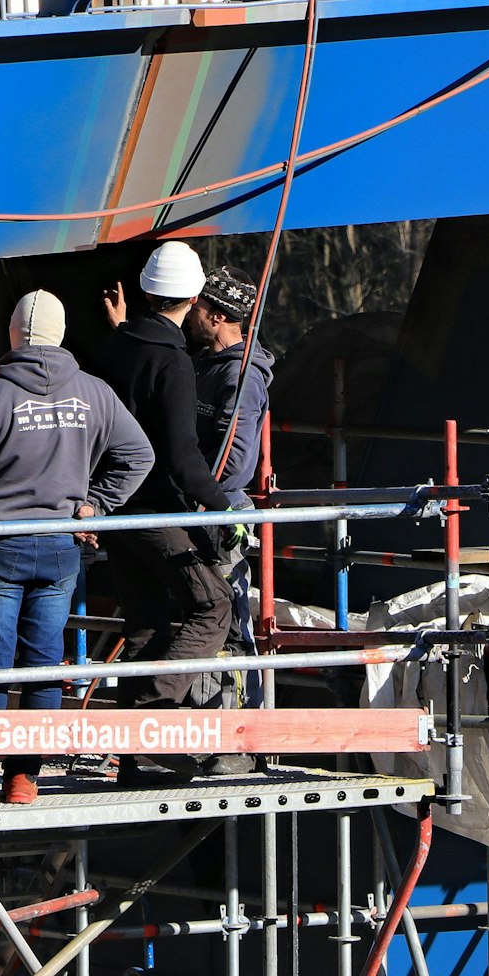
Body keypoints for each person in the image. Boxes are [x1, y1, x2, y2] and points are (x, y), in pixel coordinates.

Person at [0, 291, 154, 807]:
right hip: (59, 548)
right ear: (61, 333)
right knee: (43, 663)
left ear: (13, 335)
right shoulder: (94, 393)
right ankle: (25, 778)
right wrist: (96, 505)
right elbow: (139, 453)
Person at [94, 240, 250, 780]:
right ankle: (153, 726)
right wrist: (225, 509)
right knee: (215, 605)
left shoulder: (113, 347)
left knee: (146, 625)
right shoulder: (173, 361)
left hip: (112, 508)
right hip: (154, 507)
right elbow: (183, 460)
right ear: (193, 296)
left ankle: (134, 757)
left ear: (144, 288)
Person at [186, 266, 278, 694]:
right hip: (204, 507)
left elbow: (236, 463)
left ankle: (233, 731)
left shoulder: (241, 377)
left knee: (226, 622)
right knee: (206, 615)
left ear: (217, 317)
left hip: (218, 514)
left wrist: (200, 493)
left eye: (198, 307)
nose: (191, 313)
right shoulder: (209, 365)